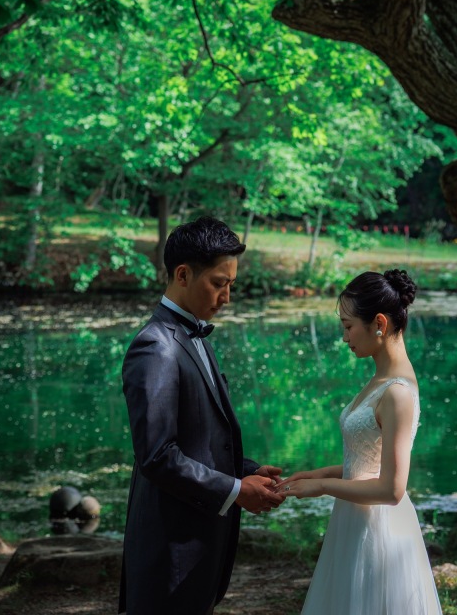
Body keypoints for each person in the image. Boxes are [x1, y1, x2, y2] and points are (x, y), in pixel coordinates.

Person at [119, 216, 283, 615]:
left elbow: (200, 438)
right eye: (219, 283)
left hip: (198, 547)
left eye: (231, 285)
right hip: (171, 554)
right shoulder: (155, 347)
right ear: (182, 274)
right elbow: (158, 455)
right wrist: (235, 491)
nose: (227, 297)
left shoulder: (194, 335)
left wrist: (246, 471)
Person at [277, 269, 442, 615]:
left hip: (380, 531)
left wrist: (323, 486)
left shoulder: (397, 392)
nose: (344, 336)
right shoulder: (379, 378)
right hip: (354, 519)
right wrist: (313, 473)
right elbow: (365, 463)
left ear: (379, 323)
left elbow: (392, 489)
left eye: (348, 326)